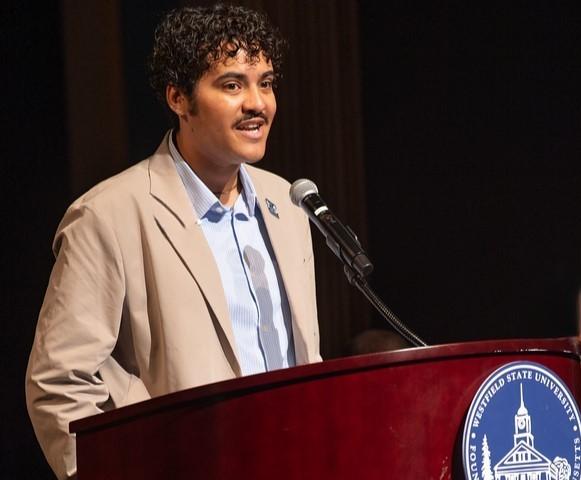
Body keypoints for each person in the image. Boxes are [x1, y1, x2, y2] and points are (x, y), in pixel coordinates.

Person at [25, 5, 320, 479]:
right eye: (232, 85)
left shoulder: (286, 204)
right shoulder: (109, 214)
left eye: (265, 83)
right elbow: (58, 383)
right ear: (179, 98)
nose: (257, 103)